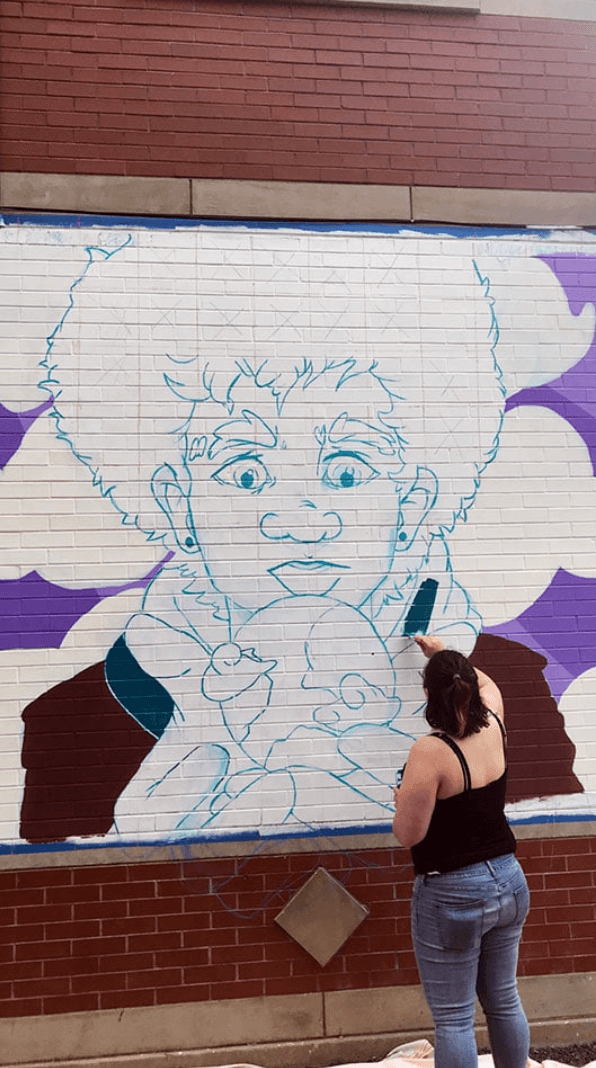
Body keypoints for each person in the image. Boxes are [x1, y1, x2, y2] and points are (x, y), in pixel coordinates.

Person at [393, 633, 530, 1068]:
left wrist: (401, 798)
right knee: (504, 999)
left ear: (427, 694)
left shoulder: (430, 751)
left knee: (453, 1019)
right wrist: (446, 655)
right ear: (467, 687)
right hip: (509, 880)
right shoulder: (493, 721)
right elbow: (488, 687)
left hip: (452, 893)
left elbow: (408, 835)